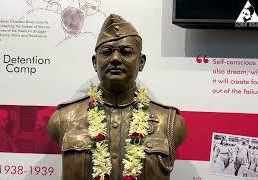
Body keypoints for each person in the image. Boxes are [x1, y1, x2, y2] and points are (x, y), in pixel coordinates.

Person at [48, 14, 187, 180]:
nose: (115, 58)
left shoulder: (171, 123)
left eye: (125, 52)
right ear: (94, 62)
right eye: (106, 52)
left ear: (141, 62)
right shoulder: (63, 119)